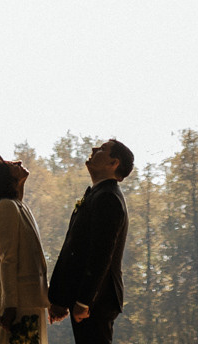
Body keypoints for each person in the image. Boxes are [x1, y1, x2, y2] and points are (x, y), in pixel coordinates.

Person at [48, 140, 131, 344]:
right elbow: (74, 248)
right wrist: (60, 298)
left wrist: (84, 301)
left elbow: (101, 254)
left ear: (113, 163)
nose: (94, 150)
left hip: (97, 300)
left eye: (102, 149)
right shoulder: (99, 194)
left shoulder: (108, 198)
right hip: (89, 299)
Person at [0, 155, 51, 344]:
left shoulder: (18, 206)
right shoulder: (6, 206)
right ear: (4, 177)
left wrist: (47, 300)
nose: (19, 162)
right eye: (12, 165)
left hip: (31, 303)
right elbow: (8, 259)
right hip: (20, 307)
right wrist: (10, 305)